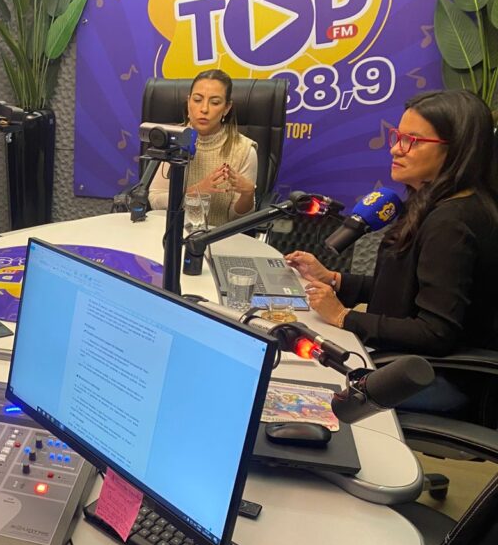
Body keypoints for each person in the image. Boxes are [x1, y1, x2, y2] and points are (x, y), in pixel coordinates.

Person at [285, 90, 498, 408]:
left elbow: (435, 332)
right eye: (398, 136)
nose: (396, 148)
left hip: (429, 376)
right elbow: (410, 291)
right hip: (407, 362)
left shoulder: (452, 223)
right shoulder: (437, 202)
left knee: (300, 394)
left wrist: (344, 317)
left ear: (456, 150)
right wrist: (335, 280)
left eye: (412, 141)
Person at [148, 69, 258, 226]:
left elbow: (236, 220)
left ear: (226, 108)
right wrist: (196, 191)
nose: (204, 109)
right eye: (197, 100)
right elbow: (155, 201)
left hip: (217, 236)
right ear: (188, 102)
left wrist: (248, 194)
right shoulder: (173, 139)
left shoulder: (244, 150)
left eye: (215, 102)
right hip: (170, 232)